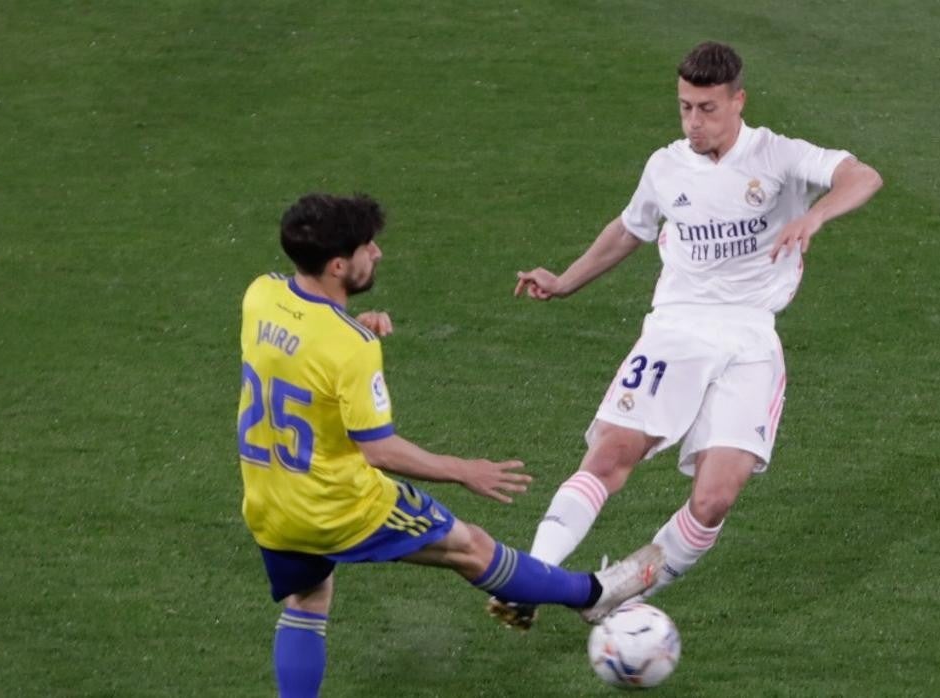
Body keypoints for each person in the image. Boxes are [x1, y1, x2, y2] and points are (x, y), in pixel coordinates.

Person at [488, 41, 882, 630]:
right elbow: (629, 228)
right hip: (676, 329)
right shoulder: (666, 166)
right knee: (612, 455)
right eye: (684, 108)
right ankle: (532, 577)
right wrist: (565, 282)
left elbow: (862, 175)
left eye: (706, 108)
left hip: (750, 340)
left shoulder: (777, 155)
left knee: (715, 498)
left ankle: (613, 590)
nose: (693, 123)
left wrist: (815, 215)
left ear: (737, 101)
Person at [237, 193, 662, 697]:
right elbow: (380, 450)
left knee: (307, 596)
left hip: (270, 501)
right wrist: (465, 469)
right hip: (337, 505)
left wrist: (350, 325)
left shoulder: (260, 295)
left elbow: (301, 344)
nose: (377, 254)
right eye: (366, 247)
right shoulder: (351, 348)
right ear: (337, 265)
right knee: (471, 547)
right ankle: (592, 592)